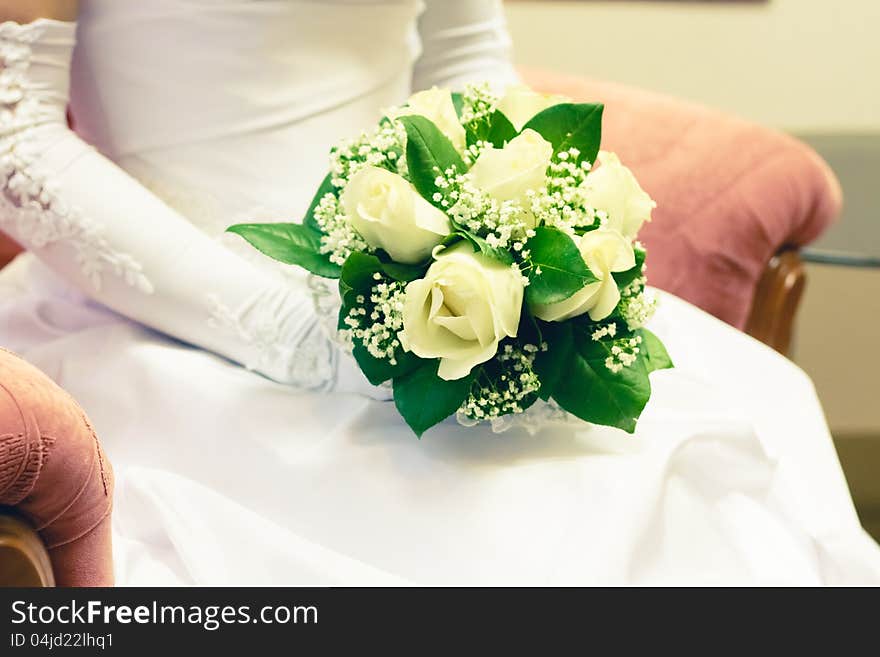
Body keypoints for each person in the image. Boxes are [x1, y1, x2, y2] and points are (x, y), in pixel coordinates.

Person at [1, 0, 877, 585]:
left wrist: (525, 233)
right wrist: (287, 334)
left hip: (434, 281)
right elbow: (16, 137)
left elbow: (467, 58)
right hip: (177, 309)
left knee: (739, 417)